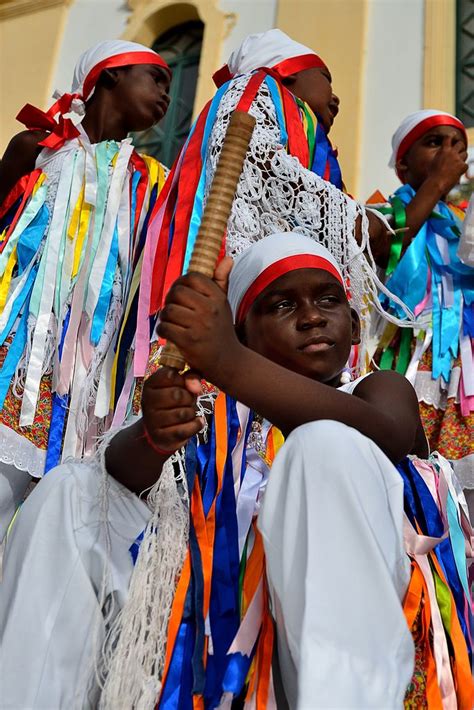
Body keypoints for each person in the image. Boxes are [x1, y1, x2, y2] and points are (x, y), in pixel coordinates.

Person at [1, 234, 471, 708]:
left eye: (327, 300)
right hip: (215, 630)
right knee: (72, 490)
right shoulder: (220, 416)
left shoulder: (376, 390)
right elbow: (119, 478)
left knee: (322, 444)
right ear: (243, 331)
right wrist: (155, 433)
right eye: (282, 305)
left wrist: (228, 362)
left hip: (340, 634)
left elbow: (387, 433)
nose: (311, 316)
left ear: (352, 323)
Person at [113, 29, 398, 426]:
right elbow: (259, 160)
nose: (335, 97)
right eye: (326, 78)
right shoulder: (255, 90)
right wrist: (351, 218)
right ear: (289, 73)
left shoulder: (305, 131)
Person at [0, 40, 171, 538]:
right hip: (20, 361)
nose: (166, 93)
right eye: (155, 77)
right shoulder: (36, 149)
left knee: (58, 520)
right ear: (112, 75)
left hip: (93, 381)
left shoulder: (152, 179)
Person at [367, 110, 473, 492]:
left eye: (458, 146)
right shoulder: (383, 212)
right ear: (402, 162)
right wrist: (436, 182)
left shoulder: (464, 221)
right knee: (413, 471)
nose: (449, 152)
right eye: (434, 143)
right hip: (412, 359)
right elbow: (387, 248)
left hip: (464, 364)